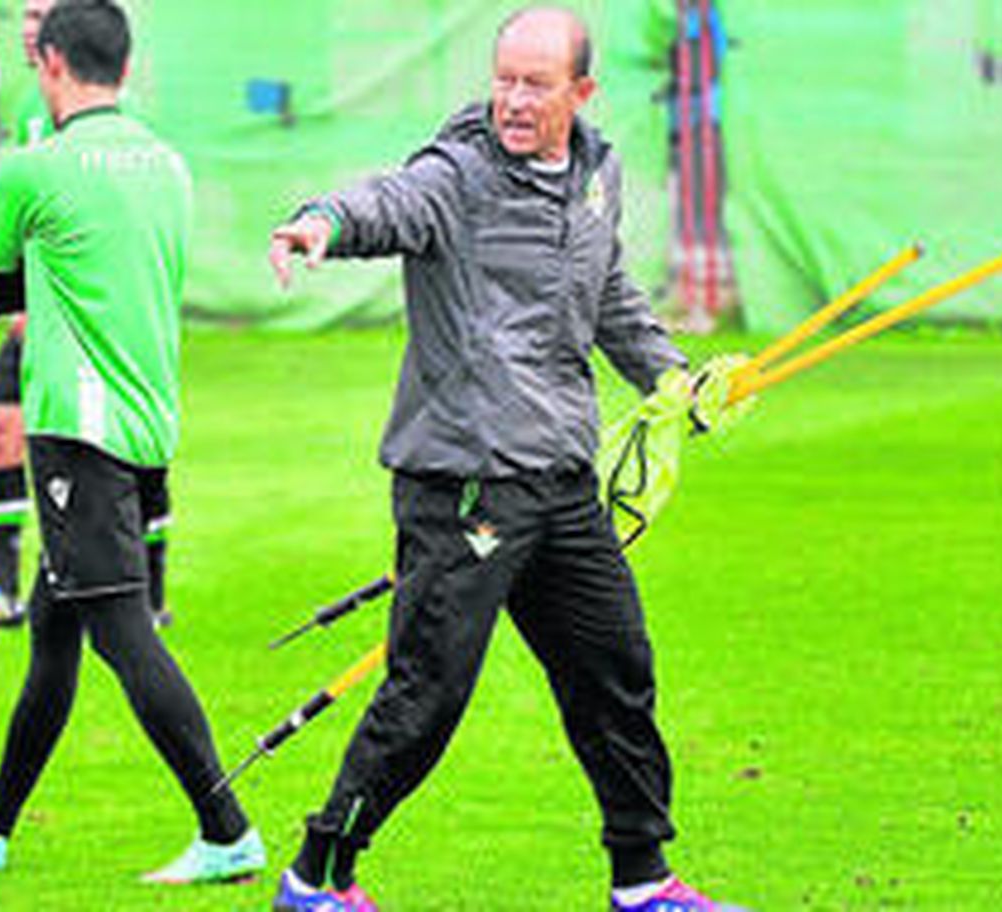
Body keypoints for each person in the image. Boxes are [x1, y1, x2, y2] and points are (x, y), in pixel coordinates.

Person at [264, 8, 744, 911]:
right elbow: (388, 203)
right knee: (426, 696)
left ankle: (642, 881)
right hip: (465, 486)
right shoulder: (459, 173)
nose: (513, 101)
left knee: (617, 674)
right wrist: (320, 221)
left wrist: (679, 379)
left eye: (536, 84)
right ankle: (316, 875)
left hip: (561, 484)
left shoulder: (597, 176)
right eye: (504, 79)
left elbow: (608, 299)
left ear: (582, 92)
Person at [0, 0, 263, 882]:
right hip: (147, 415)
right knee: (54, 626)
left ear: (49, 63)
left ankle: (226, 829)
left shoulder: (34, 169)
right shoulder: (169, 164)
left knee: (119, 627)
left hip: (77, 426)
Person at [0, 0, 174, 631]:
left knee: (121, 450)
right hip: (39, 317)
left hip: (84, 325)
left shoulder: (117, 130)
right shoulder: (32, 117)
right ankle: (2, 583)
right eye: (27, 14)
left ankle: (148, 589)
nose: (31, 27)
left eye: (43, 15)